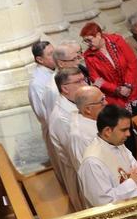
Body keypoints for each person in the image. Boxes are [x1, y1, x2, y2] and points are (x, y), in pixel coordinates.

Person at [79, 22, 137, 110]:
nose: (87, 44)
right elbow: (95, 78)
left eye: (89, 40)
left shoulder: (117, 40)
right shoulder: (88, 56)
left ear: (98, 35)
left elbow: (132, 62)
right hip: (114, 97)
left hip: (134, 88)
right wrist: (117, 89)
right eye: (85, 41)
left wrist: (128, 85)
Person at [46, 68, 86, 206]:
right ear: (65, 88)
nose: (85, 84)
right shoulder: (61, 118)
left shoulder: (77, 104)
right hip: (81, 173)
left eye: (84, 79)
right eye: (79, 82)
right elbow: (73, 154)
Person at [63, 86, 103, 209]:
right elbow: (88, 169)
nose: (105, 103)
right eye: (101, 101)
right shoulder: (81, 135)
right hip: (102, 190)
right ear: (88, 110)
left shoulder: (92, 122)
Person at [27, 41, 58, 158]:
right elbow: (43, 114)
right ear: (40, 60)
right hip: (54, 131)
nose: (55, 56)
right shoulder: (37, 83)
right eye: (50, 54)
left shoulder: (52, 72)